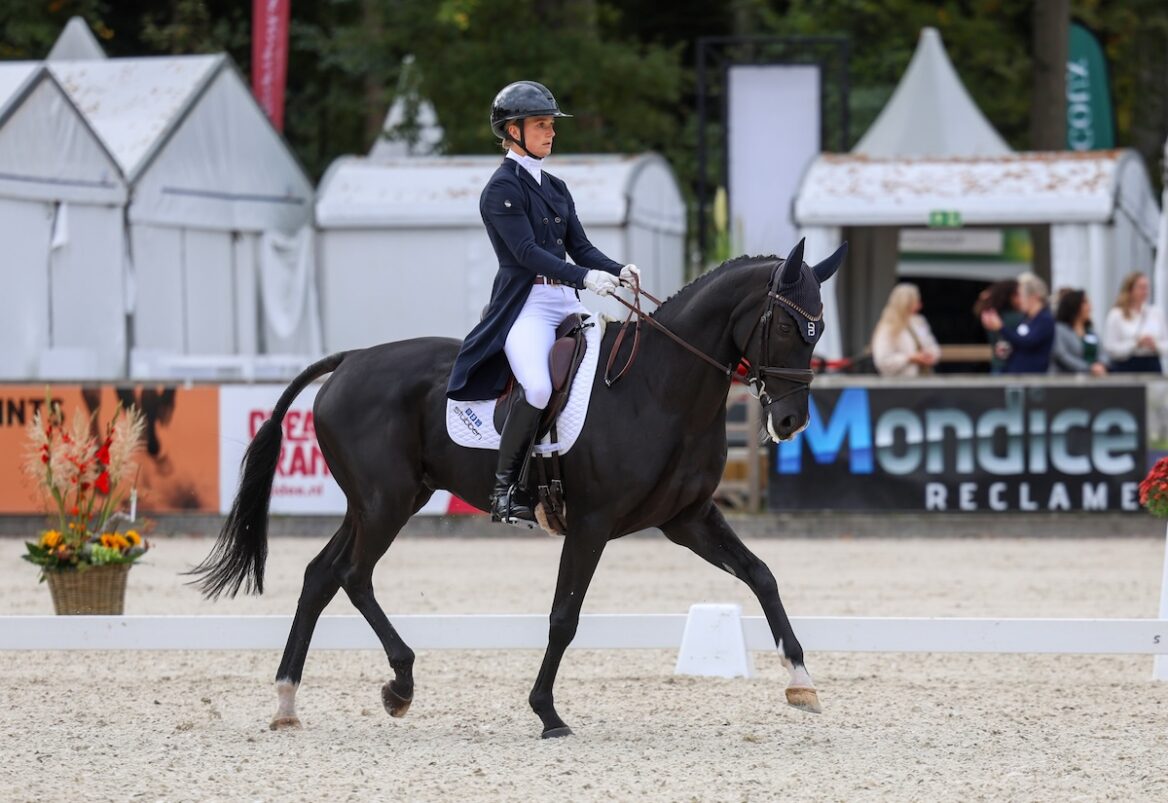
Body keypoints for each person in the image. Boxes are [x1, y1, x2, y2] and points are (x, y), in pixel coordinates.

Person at [446, 81, 635, 525]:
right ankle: (505, 489)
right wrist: (585, 277)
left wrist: (617, 270)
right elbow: (527, 253)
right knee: (536, 388)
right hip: (526, 304)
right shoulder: (500, 189)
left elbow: (580, 248)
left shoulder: (555, 186)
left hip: (565, 300)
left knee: (613, 364)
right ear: (513, 131)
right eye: (541, 125)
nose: (551, 132)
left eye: (551, 125)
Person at [979, 273, 1054, 373]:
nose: (1020, 300)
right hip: (1014, 374)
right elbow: (1015, 344)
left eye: (1022, 295)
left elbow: (1027, 342)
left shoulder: (1044, 319)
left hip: (1032, 376)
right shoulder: (1027, 319)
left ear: (1033, 297)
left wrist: (1001, 328)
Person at [1103, 271, 1168, 373]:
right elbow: (1110, 347)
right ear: (1130, 290)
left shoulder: (1156, 313)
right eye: (1141, 287)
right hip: (1126, 365)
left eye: (1146, 287)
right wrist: (1135, 344)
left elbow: (1166, 343)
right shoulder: (1117, 314)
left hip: (1152, 364)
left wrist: (1155, 345)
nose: (1145, 291)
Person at [870, 283, 941, 377]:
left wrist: (930, 355)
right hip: (899, 381)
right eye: (916, 302)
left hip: (924, 378)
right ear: (905, 303)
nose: (920, 306)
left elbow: (931, 344)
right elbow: (882, 361)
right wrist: (909, 358)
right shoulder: (887, 327)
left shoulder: (919, 322)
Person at [1050, 289, 1107, 376]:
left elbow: (1103, 352)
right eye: (1085, 302)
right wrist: (1089, 368)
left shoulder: (1091, 332)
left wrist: (1101, 364)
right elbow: (1061, 355)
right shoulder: (1059, 330)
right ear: (1074, 305)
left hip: (1091, 379)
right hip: (1067, 379)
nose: (1090, 307)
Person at [973, 279, 1022, 374]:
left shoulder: (991, 314)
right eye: (1017, 295)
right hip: (1009, 367)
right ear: (1010, 296)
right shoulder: (1012, 317)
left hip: (998, 365)